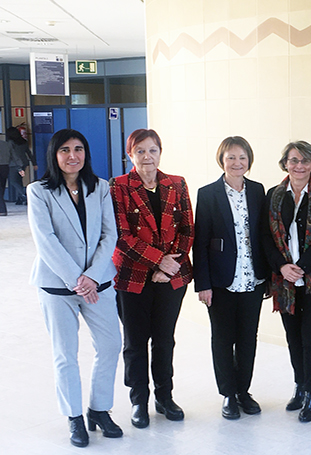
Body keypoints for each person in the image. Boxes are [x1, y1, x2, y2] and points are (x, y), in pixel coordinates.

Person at [27, 129, 122, 447]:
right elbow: (45, 240)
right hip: (57, 286)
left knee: (110, 345)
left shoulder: (101, 188)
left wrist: (91, 277)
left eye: (78, 149)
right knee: (65, 354)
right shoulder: (38, 191)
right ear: (54, 155)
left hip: (98, 283)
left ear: (86, 154)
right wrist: (77, 281)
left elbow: (110, 234)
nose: (72, 156)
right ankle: (74, 417)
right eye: (65, 150)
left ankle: (99, 410)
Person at [110, 129, 194, 429]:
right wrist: (158, 260)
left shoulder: (177, 184)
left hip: (171, 277)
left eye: (153, 150)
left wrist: (169, 266)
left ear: (160, 152)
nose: (147, 156)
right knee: (135, 341)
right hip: (132, 277)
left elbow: (187, 229)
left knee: (164, 339)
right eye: (140, 151)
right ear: (130, 154)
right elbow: (122, 235)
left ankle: (164, 397)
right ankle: (138, 401)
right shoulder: (118, 186)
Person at [261, 140, 311, 423]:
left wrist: (302, 267)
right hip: (284, 278)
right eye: (294, 160)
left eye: (305, 160)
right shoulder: (273, 195)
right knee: (293, 336)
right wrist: (283, 266)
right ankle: (299, 385)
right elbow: (265, 237)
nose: (299, 166)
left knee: (310, 336)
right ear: (285, 163)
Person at [193, 136, 269, 420]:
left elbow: (264, 236)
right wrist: (203, 284)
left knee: (248, 338)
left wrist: (268, 277)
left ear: (249, 160)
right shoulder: (208, 193)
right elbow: (200, 242)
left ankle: (243, 391)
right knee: (223, 338)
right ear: (221, 160)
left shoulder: (258, 191)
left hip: (253, 278)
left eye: (242, 157)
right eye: (231, 157)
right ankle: (228, 393)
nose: (237, 163)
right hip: (221, 280)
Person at [7, 126, 36, 205]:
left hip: (14, 164)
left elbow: (13, 154)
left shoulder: (10, 142)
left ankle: (25, 194)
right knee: (19, 180)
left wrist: (18, 165)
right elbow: (28, 152)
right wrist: (34, 163)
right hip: (24, 162)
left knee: (13, 181)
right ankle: (20, 198)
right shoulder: (23, 141)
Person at [0, 139, 10, 215]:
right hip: (5, 167)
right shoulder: (6, 144)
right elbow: (13, 155)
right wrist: (19, 167)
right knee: (2, 187)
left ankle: (2, 209)